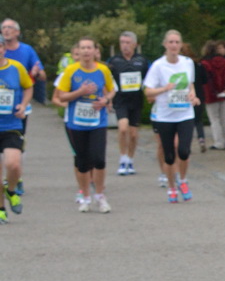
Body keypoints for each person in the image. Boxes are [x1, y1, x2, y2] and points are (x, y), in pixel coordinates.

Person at [53, 38, 117, 213]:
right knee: (82, 162)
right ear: (78, 52)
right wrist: (80, 92)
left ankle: (100, 195)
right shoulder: (71, 70)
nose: (86, 51)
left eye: (89, 48)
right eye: (83, 48)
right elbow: (61, 96)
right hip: (77, 123)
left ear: (95, 51)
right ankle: (86, 196)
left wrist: (105, 99)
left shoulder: (103, 70)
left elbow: (112, 89)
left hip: (98, 121)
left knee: (99, 159)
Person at [144, 30, 200, 203]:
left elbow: (190, 85)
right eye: (171, 42)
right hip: (165, 116)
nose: (174, 45)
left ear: (181, 45)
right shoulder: (158, 66)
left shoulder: (187, 63)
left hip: (185, 114)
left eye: (177, 42)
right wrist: (164, 89)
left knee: (183, 151)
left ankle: (182, 180)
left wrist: (193, 96)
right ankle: (171, 187)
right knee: (169, 155)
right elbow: (147, 91)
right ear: (165, 45)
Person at [1, 19, 44, 202]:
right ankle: (2, 208)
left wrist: (24, 104)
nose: (7, 30)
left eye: (10, 27)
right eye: (4, 27)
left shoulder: (23, 55)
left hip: (14, 117)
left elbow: (36, 79)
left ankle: (14, 182)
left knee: (13, 159)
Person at [107, 31, 149, 175]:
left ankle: (130, 160)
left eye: (127, 43)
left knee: (133, 134)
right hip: (121, 100)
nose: (124, 46)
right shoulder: (114, 61)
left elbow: (149, 79)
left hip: (136, 101)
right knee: (123, 128)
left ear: (134, 44)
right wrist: (108, 98)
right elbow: (107, 80)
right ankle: (122, 158)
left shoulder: (142, 61)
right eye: (122, 43)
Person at [0, 49, 29, 222]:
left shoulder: (16, 67)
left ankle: (11, 190)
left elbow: (29, 87)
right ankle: (1, 209)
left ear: (3, 48)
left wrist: (23, 105)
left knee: (13, 164)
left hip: (12, 125)